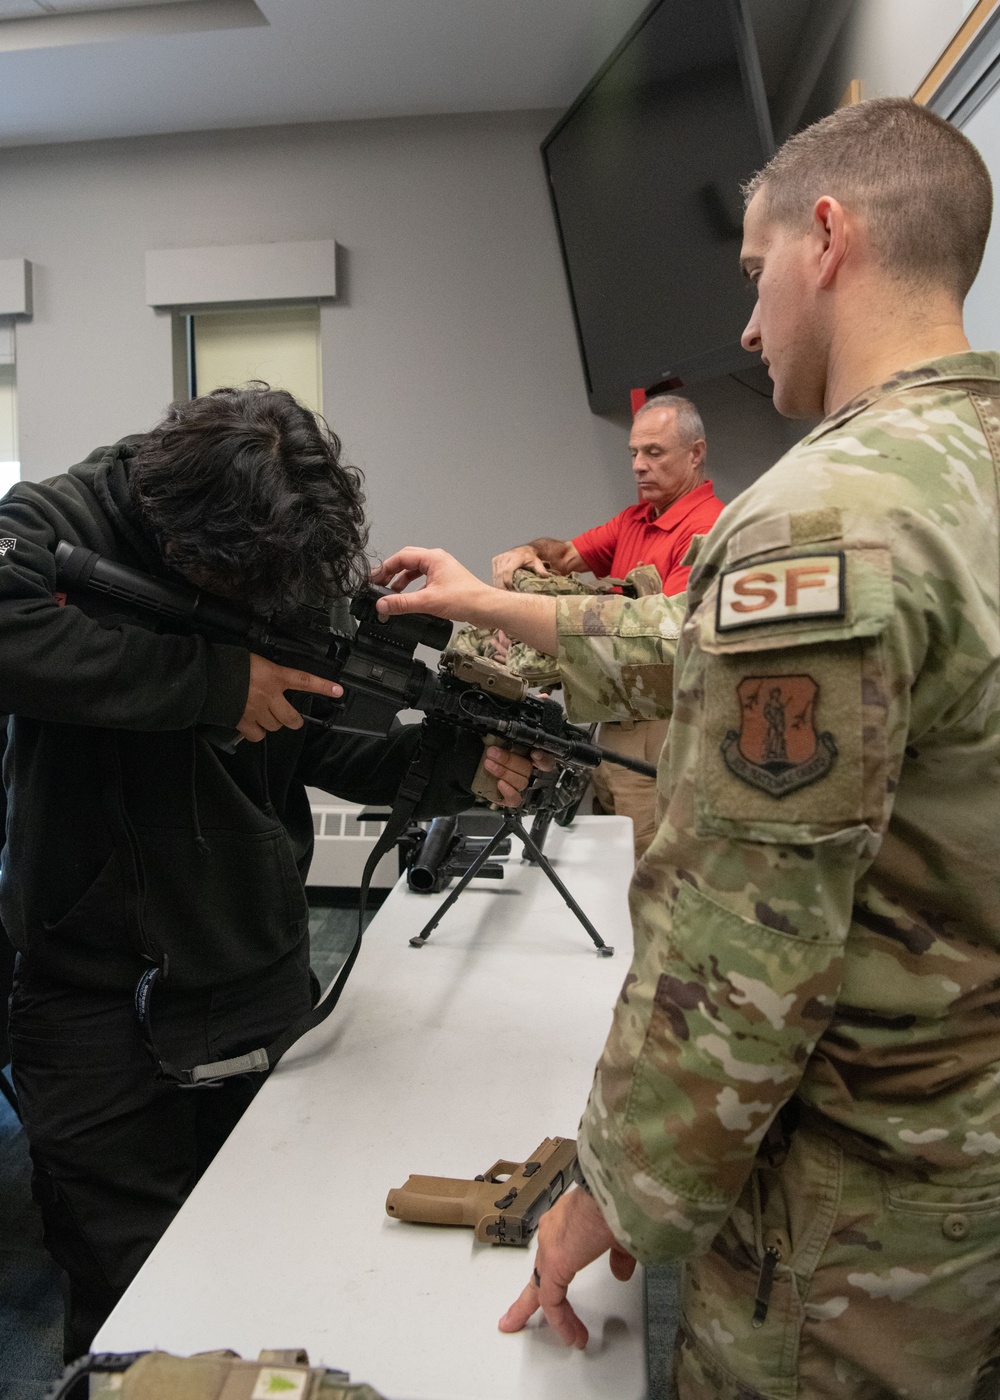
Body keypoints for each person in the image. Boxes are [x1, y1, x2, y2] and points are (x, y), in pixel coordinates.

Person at [372, 98, 1000, 1398]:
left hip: (856, 1203)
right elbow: (702, 638)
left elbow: (745, 943)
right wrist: (489, 609)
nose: (748, 323)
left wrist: (615, 1183)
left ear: (829, 238)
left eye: (755, 270)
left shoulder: (830, 513)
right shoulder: (966, 472)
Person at [0, 385, 537, 1360]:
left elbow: (318, 744)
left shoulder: (271, 562)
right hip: (94, 1010)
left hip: (252, 977)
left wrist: (460, 764)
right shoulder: (65, 519)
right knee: (129, 1318)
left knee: (275, 1266)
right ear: (182, 537)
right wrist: (211, 685)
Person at [493, 396, 724, 860]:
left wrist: (538, 639)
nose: (639, 465)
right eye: (634, 453)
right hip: (612, 719)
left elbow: (664, 645)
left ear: (695, 453)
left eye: (654, 453)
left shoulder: (708, 528)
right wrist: (525, 553)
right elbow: (559, 556)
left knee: (646, 866)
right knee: (611, 859)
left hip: (663, 723)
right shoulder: (635, 520)